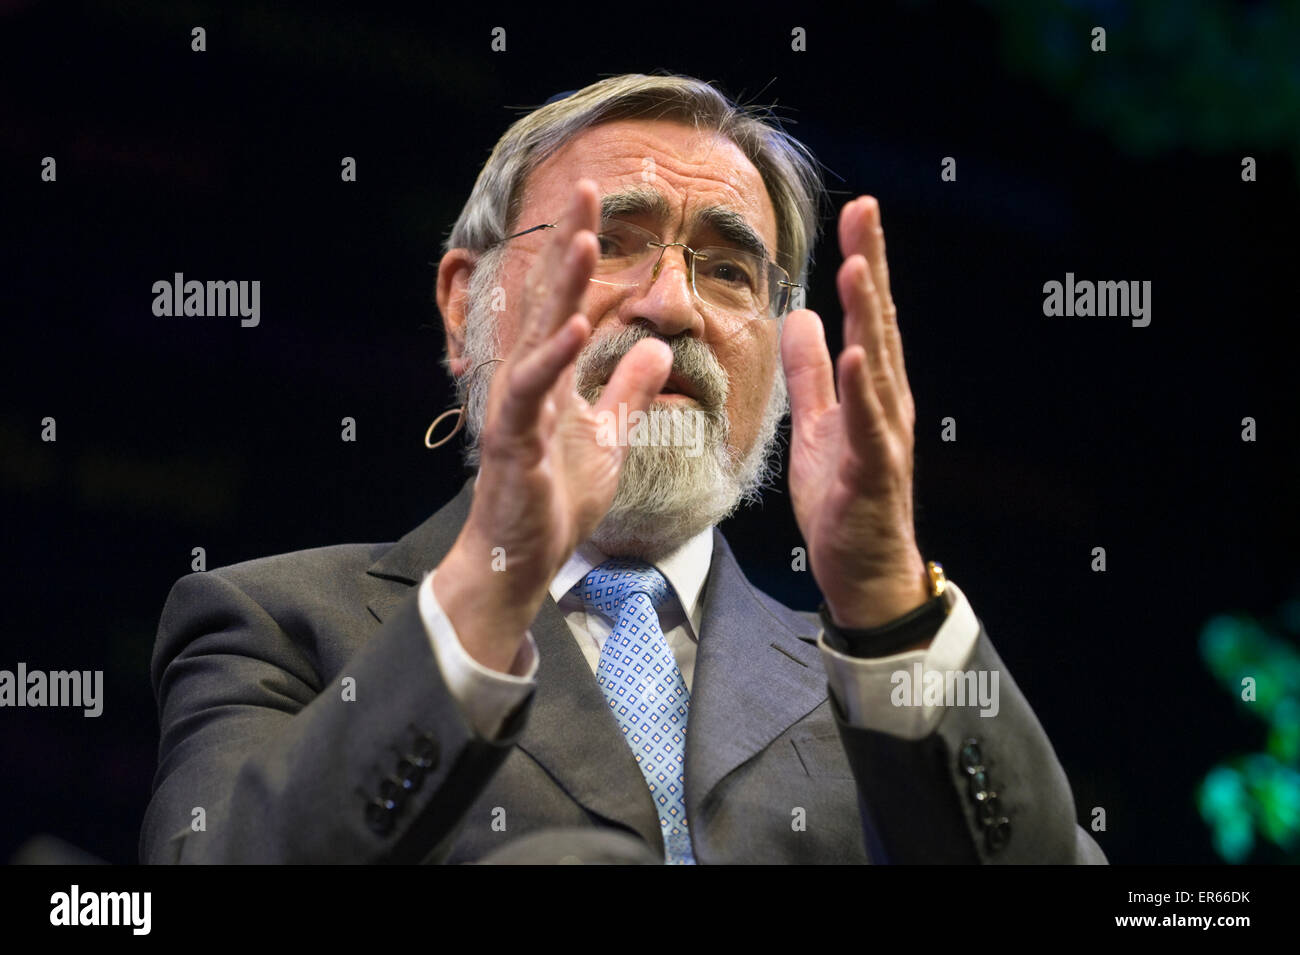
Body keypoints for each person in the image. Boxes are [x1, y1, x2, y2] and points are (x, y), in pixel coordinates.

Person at [141, 73, 1106, 864]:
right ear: (464, 302)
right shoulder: (273, 623)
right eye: (613, 243)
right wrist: (498, 572)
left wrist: (887, 592)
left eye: (730, 270)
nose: (673, 305)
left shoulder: (875, 671)